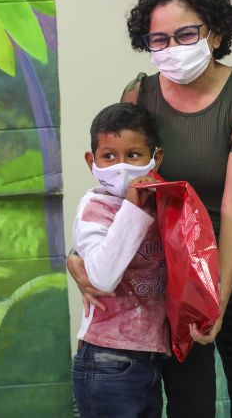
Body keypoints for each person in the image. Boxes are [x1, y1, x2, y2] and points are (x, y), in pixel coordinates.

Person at [69, 0, 232, 417]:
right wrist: (79, 255)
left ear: (216, 34)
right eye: (159, 38)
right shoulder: (139, 94)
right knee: (190, 405)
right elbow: (118, 186)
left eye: (186, 34)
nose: (173, 46)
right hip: (175, 276)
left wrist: (216, 297)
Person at [71, 102, 166, 417]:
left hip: (149, 359)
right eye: (109, 157)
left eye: (134, 155)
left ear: (156, 158)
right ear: (92, 161)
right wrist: (132, 209)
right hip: (106, 360)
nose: (121, 166)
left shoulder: (161, 204)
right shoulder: (94, 208)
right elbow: (101, 277)